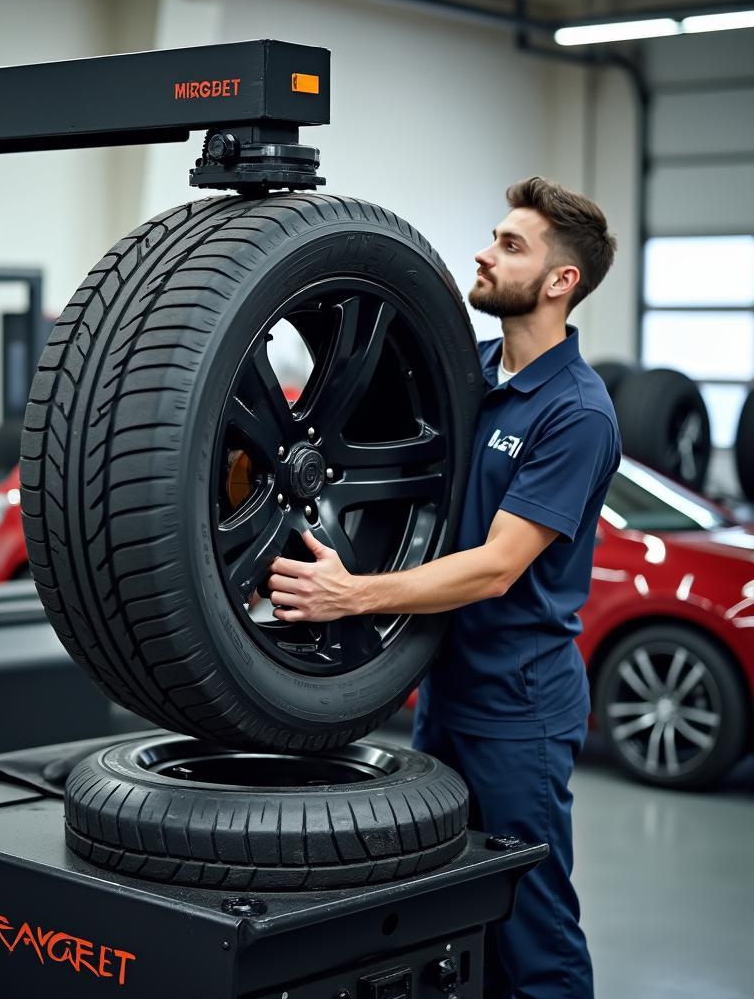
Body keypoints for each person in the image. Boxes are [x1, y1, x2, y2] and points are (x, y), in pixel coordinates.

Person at [266, 176, 620, 999]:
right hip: (447, 692)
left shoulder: (576, 411)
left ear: (561, 281)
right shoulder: (473, 371)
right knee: (458, 914)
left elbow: (498, 565)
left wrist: (353, 596)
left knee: (533, 931)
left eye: (511, 245)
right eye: (494, 237)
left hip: (519, 709)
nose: (484, 253)